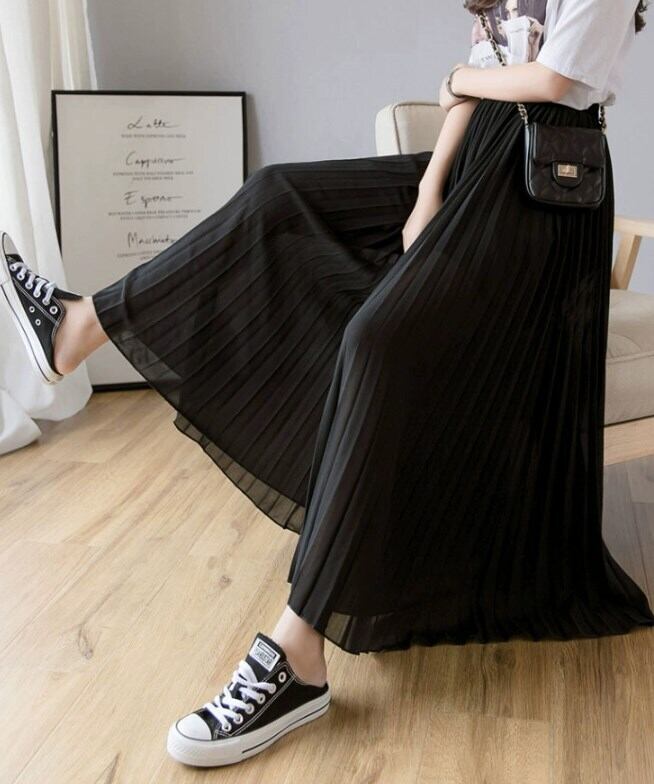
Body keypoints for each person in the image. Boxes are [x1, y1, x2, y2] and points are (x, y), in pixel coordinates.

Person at [1, 0, 652, 770]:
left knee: (374, 344)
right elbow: (474, 91)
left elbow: (554, 79)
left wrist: (456, 78)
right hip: (477, 161)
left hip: (546, 193)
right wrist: (427, 192)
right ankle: (79, 328)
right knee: (278, 195)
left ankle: (298, 654)